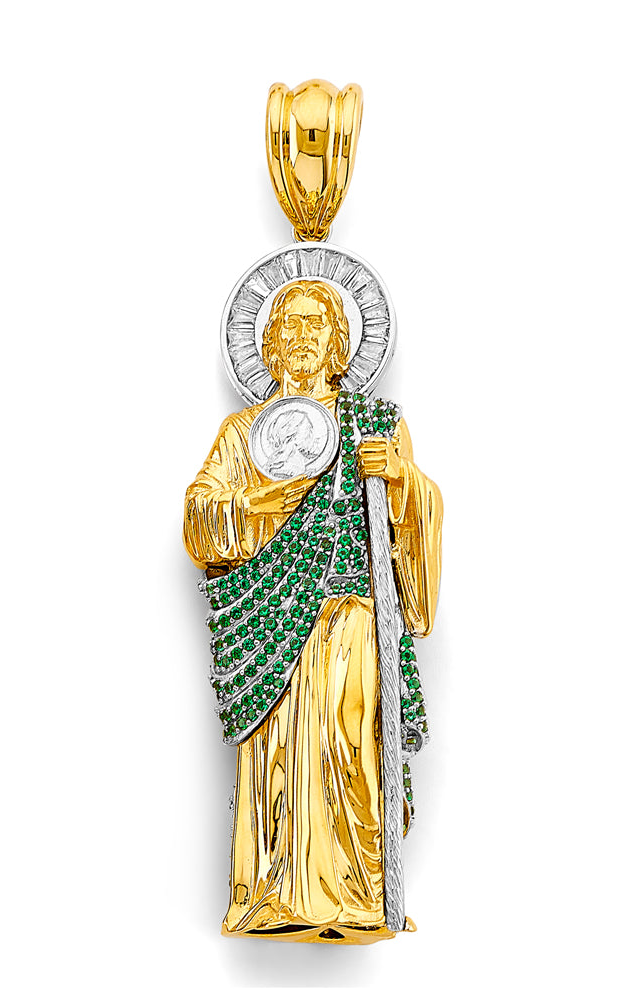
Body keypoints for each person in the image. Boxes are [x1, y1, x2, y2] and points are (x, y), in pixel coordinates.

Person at [183, 278, 443, 943]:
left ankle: (362, 892)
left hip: (352, 612)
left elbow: (420, 510)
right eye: (289, 327)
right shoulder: (244, 433)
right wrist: (255, 504)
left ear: (339, 343)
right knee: (280, 753)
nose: (301, 338)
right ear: (270, 346)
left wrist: (401, 480)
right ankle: (275, 895)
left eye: (315, 326)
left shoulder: (375, 425)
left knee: (351, 740)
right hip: (271, 624)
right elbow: (200, 516)